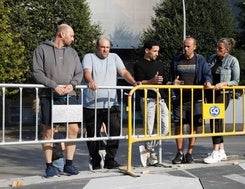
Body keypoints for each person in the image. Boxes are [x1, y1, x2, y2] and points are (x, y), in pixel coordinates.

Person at [32, 23, 83, 177]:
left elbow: (79, 73)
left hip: (70, 95)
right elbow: (37, 72)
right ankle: (49, 166)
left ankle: (69, 164)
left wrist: (72, 85)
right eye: (71, 35)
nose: (73, 39)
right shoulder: (41, 49)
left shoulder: (73, 53)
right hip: (49, 95)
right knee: (48, 130)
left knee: (73, 129)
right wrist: (54, 86)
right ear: (61, 34)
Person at [81, 37, 138, 170]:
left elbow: (123, 72)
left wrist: (134, 82)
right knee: (92, 134)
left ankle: (110, 159)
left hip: (111, 103)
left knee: (115, 130)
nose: (105, 50)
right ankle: (95, 160)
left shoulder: (114, 57)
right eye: (102, 47)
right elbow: (86, 72)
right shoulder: (89, 57)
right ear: (97, 47)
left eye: (107, 47)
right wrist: (90, 81)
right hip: (91, 104)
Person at [169, 37, 212, 164]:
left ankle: (189, 153)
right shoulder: (176, 60)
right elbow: (170, 77)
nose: (185, 49)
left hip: (196, 98)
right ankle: (180, 153)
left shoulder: (200, 60)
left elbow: (207, 74)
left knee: (194, 125)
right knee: (178, 126)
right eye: (184, 46)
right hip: (180, 98)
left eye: (188, 46)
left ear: (194, 47)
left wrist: (208, 82)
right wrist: (173, 82)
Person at [203, 38, 240, 164]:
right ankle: (221, 150)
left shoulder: (232, 60)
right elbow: (207, 72)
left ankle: (215, 152)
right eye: (217, 47)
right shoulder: (212, 58)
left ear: (227, 50)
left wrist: (223, 83)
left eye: (220, 48)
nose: (217, 50)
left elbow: (236, 81)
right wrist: (207, 81)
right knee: (215, 120)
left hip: (222, 94)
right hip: (210, 93)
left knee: (216, 121)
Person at [133, 40, 169, 166]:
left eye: (158, 51)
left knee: (166, 128)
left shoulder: (160, 65)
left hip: (161, 99)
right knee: (149, 128)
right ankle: (152, 154)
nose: (157, 54)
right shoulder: (139, 64)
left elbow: (165, 82)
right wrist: (152, 81)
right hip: (148, 99)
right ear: (147, 50)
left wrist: (172, 83)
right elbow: (138, 82)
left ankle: (148, 149)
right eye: (154, 51)